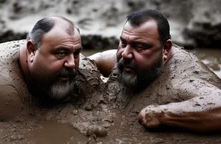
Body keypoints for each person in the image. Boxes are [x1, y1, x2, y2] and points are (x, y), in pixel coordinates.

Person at [89, 9, 221, 133]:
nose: (125, 54)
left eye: (139, 46)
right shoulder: (130, 58)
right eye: (123, 43)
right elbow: (99, 59)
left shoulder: (181, 81)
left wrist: (161, 114)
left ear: (165, 49)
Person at [0, 16, 101, 121]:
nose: (72, 63)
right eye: (61, 53)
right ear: (32, 51)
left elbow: (100, 60)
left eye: (76, 53)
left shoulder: (84, 71)